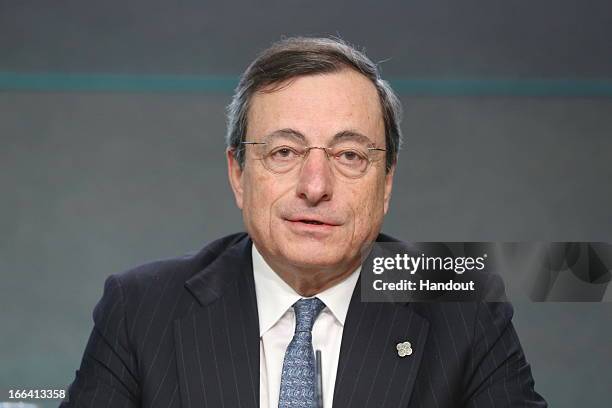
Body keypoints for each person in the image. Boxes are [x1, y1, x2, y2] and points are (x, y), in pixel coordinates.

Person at [61, 37, 547, 407]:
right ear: (238, 173)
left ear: (387, 182)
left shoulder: (464, 307)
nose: (315, 186)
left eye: (350, 154)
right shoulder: (140, 309)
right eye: (285, 151)